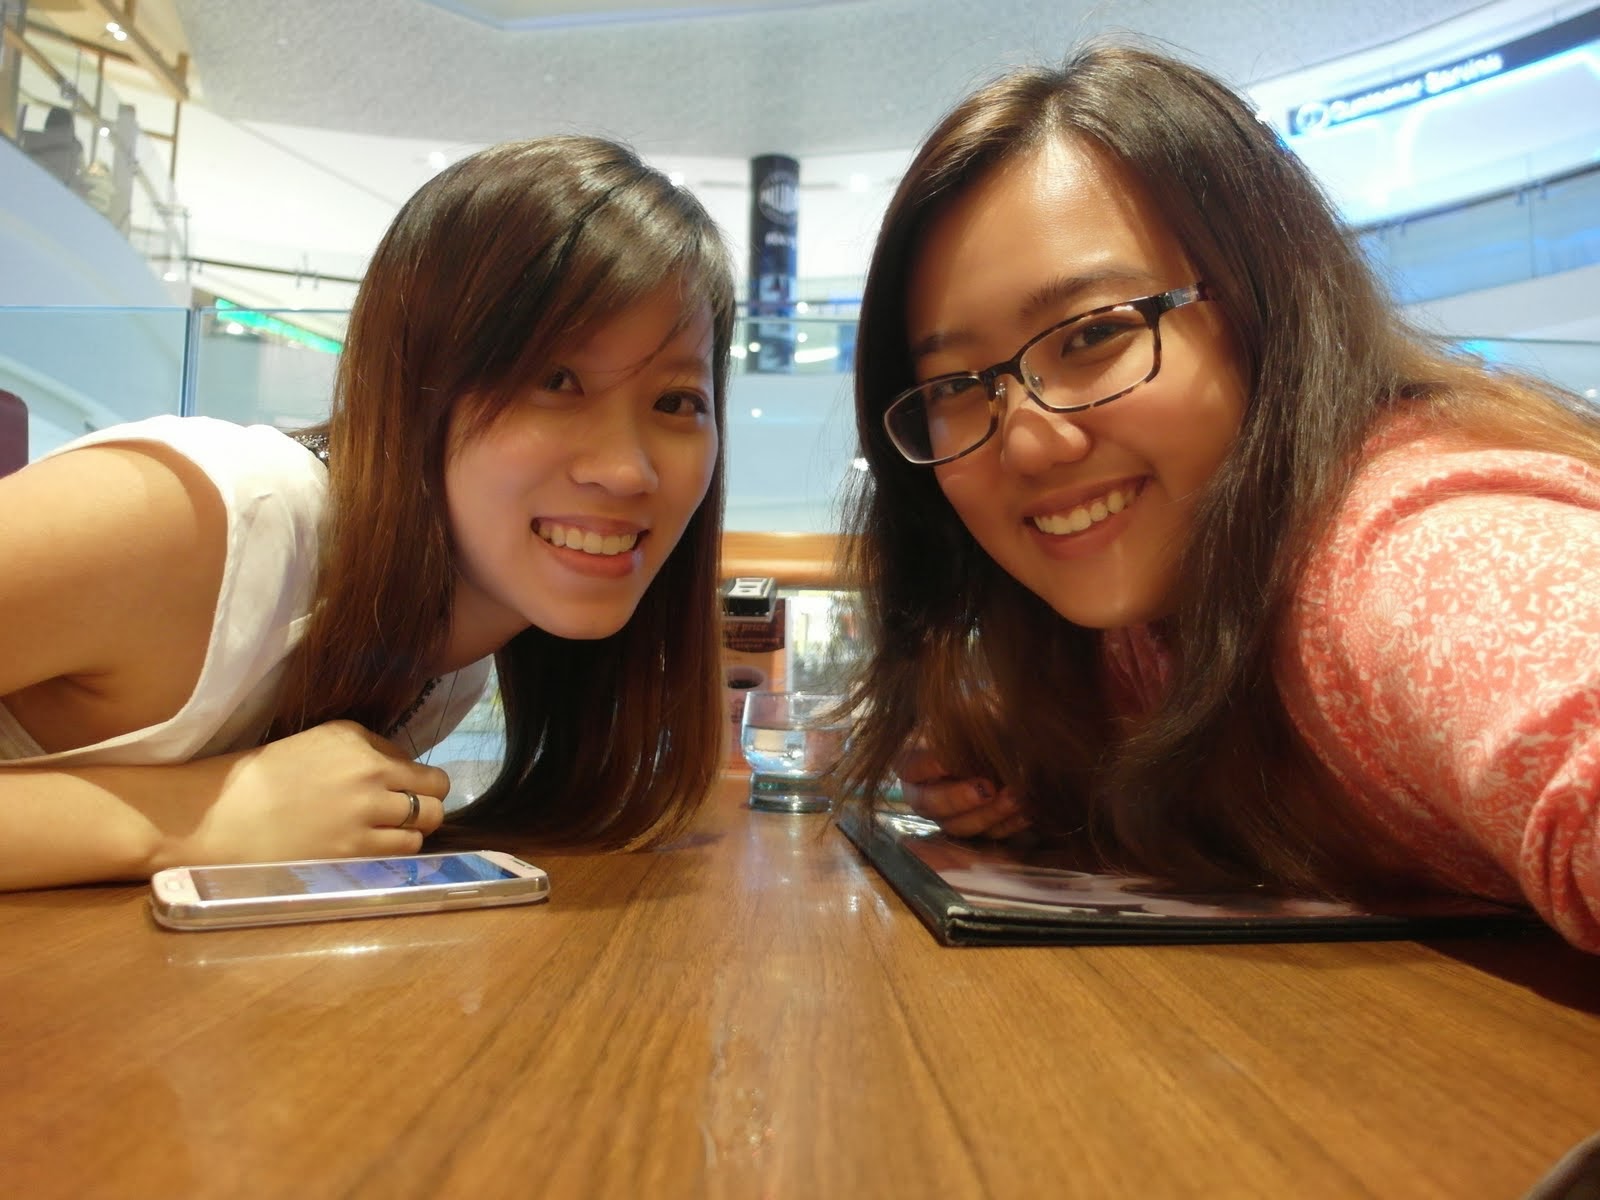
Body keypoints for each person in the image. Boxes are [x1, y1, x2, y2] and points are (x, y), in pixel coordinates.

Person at [836, 43, 1600, 952]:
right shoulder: (1159, 599)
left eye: (1093, 335)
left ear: (1265, 302)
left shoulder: (1408, 562)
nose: (1030, 444)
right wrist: (1017, 753)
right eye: (957, 387)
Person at [0, 135, 734, 890]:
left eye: (676, 401)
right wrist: (190, 820)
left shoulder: (452, 665)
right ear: (415, 379)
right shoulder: (190, 520)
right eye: (555, 379)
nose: (626, 469)